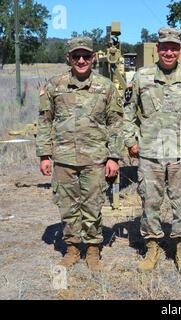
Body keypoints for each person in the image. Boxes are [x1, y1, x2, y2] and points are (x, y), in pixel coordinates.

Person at [123, 28, 181, 275]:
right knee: (150, 202)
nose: (169, 52)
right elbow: (127, 113)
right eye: (164, 47)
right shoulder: (142, 77)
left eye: (173, 47)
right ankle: (153, 248)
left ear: (180, 50)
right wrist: (131, 141)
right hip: (150, 153)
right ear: (157, 49)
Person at [36, 37, 124, 271]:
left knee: (93, 205)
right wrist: (44, 154)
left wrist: (114, 157)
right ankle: (73, 248)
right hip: (63, 158)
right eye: (76, 56)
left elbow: (116, 124)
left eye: (86, 56)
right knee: (67, 205)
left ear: (93, 58)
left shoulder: (105, 87)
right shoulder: (55, 86)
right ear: (69, 58)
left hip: (95, 159)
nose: (81, 60)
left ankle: (93, 249)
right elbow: (45, 121)